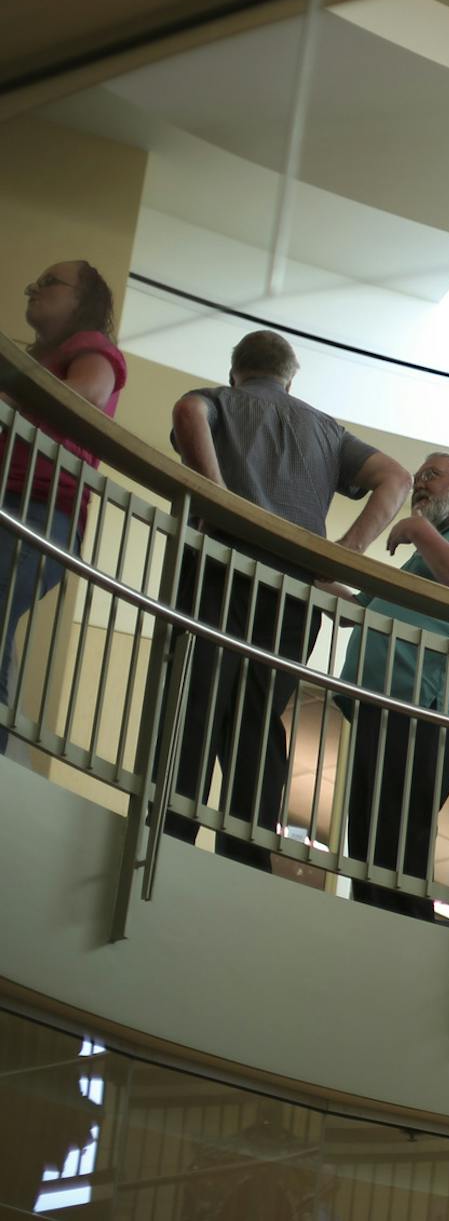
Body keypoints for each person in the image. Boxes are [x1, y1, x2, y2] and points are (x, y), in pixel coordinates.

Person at [157, 330, 410, 870]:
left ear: (236, 372)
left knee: (196, 701)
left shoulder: (222, 400)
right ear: (291, 378)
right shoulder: (326, 430)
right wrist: (346, 551)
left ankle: (168, 839)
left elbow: (186, 409)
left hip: (219, 566)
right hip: (292, 591)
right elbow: (396, 475)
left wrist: (217, 497)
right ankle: (244, 859)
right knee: (257, 716)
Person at [333, 452, 449, 919]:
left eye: (431, 476)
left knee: (398, 838)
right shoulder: (426, 556)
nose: (419, 484)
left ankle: (399, 940)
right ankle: (371, 928)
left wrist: (417, 529)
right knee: (371, 838)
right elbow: (358, 607)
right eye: (417, 479)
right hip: (383, 703)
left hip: (425, 708)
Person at [1, 260, 126, 762]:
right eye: (37, 279)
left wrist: (12, 401)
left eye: (50, 281)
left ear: (84, 301)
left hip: (41, 507)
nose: (35, 288)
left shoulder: (91, 347)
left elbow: (88, 397)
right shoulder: (32, 359)